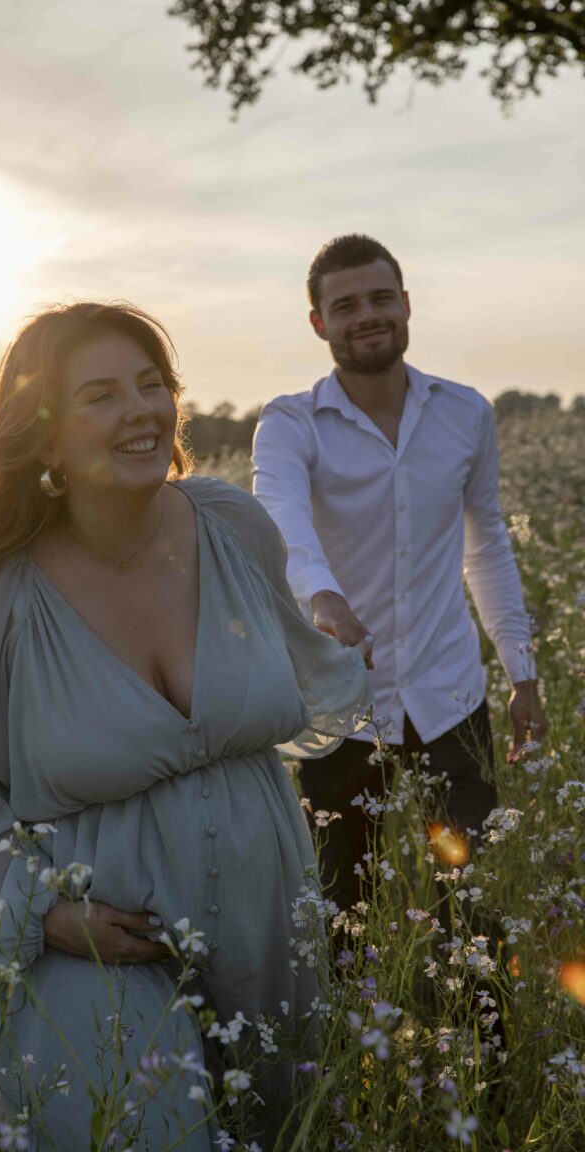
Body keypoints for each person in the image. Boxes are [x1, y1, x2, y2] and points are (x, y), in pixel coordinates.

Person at [0, 301, 371, 1150]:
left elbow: (297, 662)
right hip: (97, 940)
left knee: (277, 1124)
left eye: (151, 384)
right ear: (46, 437)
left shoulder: (232, 525)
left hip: (261, 905)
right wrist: (43, 918)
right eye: (100, 394)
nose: (139, 409)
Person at [252, 234, 546, 910]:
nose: (367, 316)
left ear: (407, 304)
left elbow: (487, 544)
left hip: (452, 698)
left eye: (381, 298)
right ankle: (358, 1018)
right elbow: (282, 521)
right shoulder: (290, 423)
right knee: (343, 913)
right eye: (346, 305)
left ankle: (479, 1022)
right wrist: (323, 597)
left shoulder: (466, 412)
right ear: (319, 323)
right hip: (342, 709)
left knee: (471, 908)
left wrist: (521, 670)